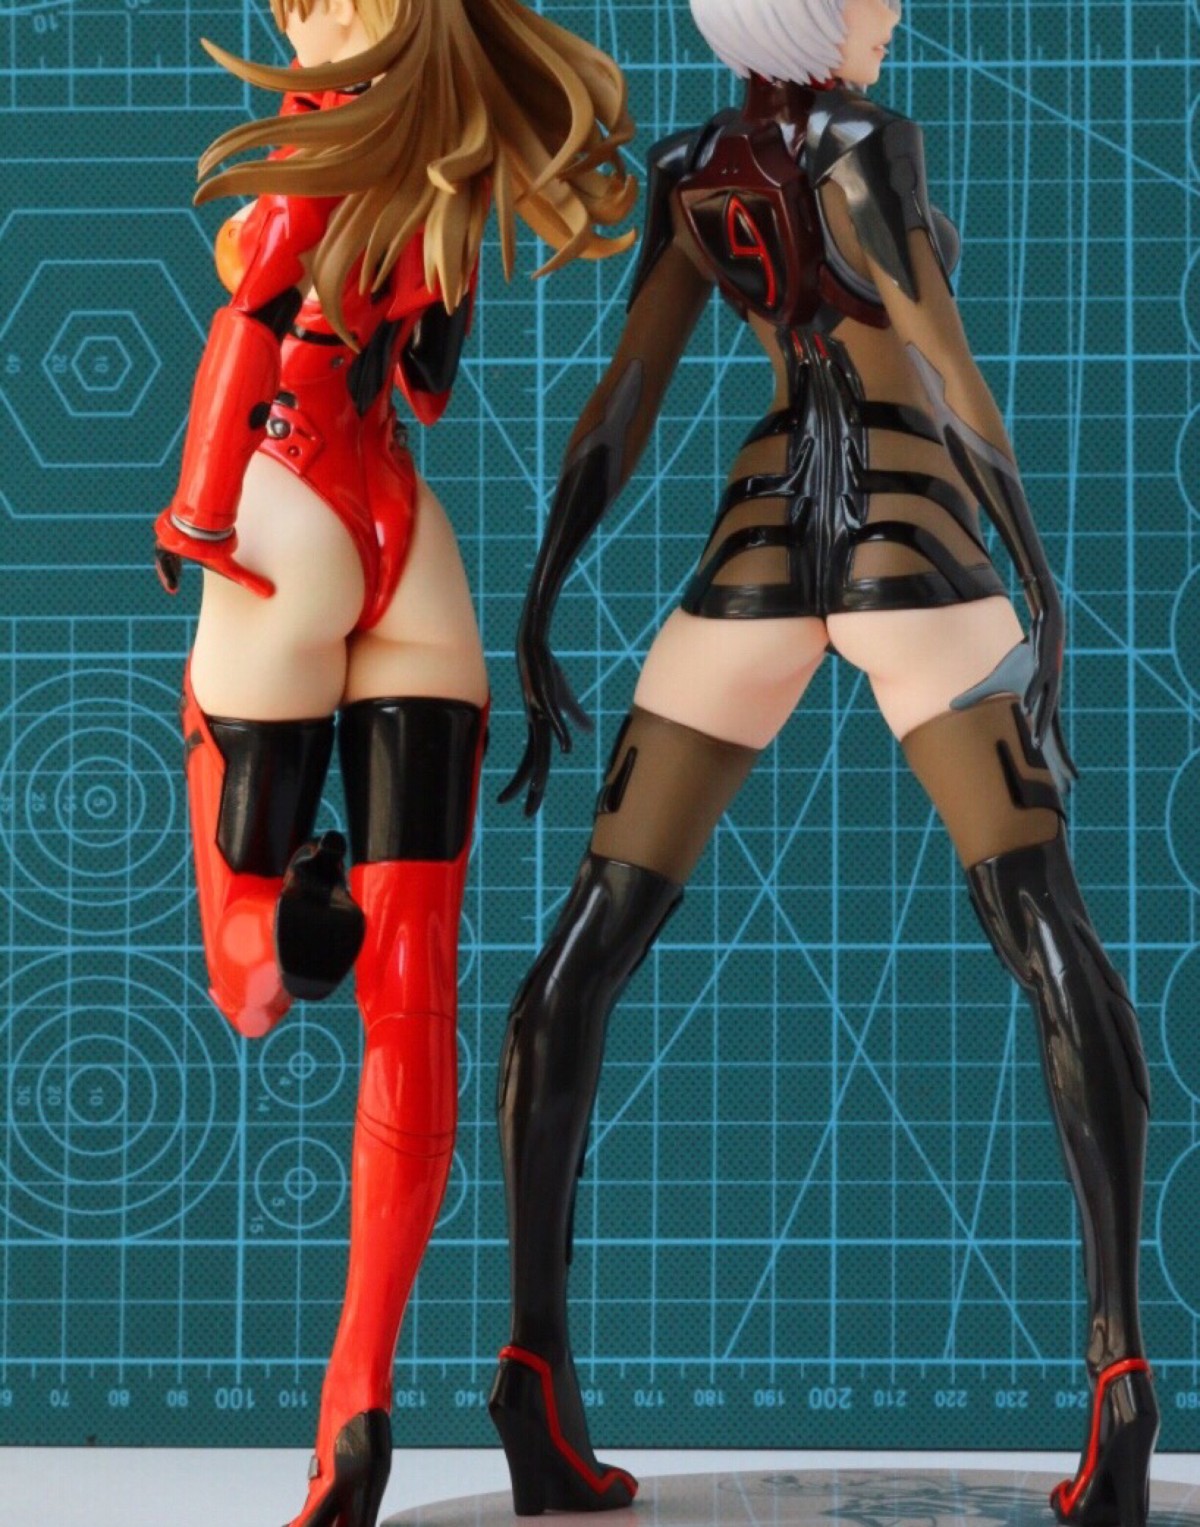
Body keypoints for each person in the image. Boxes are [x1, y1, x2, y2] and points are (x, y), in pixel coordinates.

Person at [491, 1, 1157, 1523]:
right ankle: (1120, 1372)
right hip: (908, 544)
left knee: (590, 941)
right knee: (1043, 926)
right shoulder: (863, 140)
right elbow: (941, 358)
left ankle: (532, 1368)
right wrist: (1039, 582)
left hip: (755, 553)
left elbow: (626, 397)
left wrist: (544, 591)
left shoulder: (692, 169)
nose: (893, 13)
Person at [154, 1, 634, 1521]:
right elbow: (422, 384)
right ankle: (355, 1399)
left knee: (242, 969)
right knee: (412, 995)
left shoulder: (311, 155)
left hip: (282, 509)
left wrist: (196, 512)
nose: (296, 15)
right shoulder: (442, 177)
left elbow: (246, 336)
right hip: (407, 550)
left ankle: (275, 928)